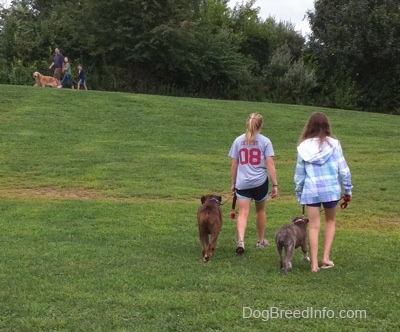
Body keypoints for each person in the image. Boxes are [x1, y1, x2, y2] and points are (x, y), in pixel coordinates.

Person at [294, 112, 353, 272]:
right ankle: (325, 258)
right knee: (330, 222)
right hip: (330, 190)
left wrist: (299, 194)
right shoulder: (334, 144)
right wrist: (347, 190)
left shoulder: (303, 147)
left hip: (311, 190)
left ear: (309, 126)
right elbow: (343, 170)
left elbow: (299, 175)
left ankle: (313, 265)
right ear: (327, 126)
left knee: (313, 226)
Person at [229, 113, 278, 256]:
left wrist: (233, 183)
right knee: (260, 211)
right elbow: (270, 163)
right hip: (260, 182)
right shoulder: (265, 141)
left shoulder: (238, 141)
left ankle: (241, 241)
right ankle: (260, 240)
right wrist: (275, 184)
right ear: (261, 125)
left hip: (242, 183)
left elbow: (234, 164)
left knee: (243, 213)